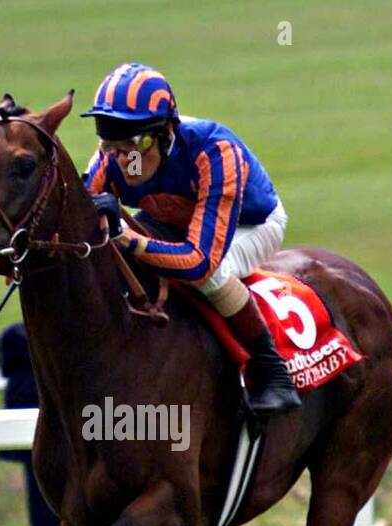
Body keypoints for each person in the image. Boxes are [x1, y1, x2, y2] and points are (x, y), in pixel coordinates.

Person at [81, 62, 301, 416]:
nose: (125, 159)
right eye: (110, 144)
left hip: (252, 223)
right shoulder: (110, 158)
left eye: (136, 143)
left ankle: (269, 369)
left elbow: (199, 261)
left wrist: (128, 239)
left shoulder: (215, 152)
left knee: (212, 275)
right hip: (173, 217)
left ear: (167, 131)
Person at [0, 322, 60, 526]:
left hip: (42, 439)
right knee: (49, 517)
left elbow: (5, 366)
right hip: (52, 438)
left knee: (44, 517)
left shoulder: (13, 337)